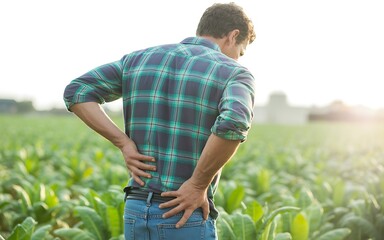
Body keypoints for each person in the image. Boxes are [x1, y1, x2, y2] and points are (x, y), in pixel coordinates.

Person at [63, 2, 256, 239]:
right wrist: (197, 184)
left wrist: (123, 143)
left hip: (134, 209)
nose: (238, 58)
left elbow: (77, 91)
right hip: (183, 212)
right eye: (242, 51)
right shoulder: (234, 73)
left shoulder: (138, 60)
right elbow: (234, 122)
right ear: (233, 36)